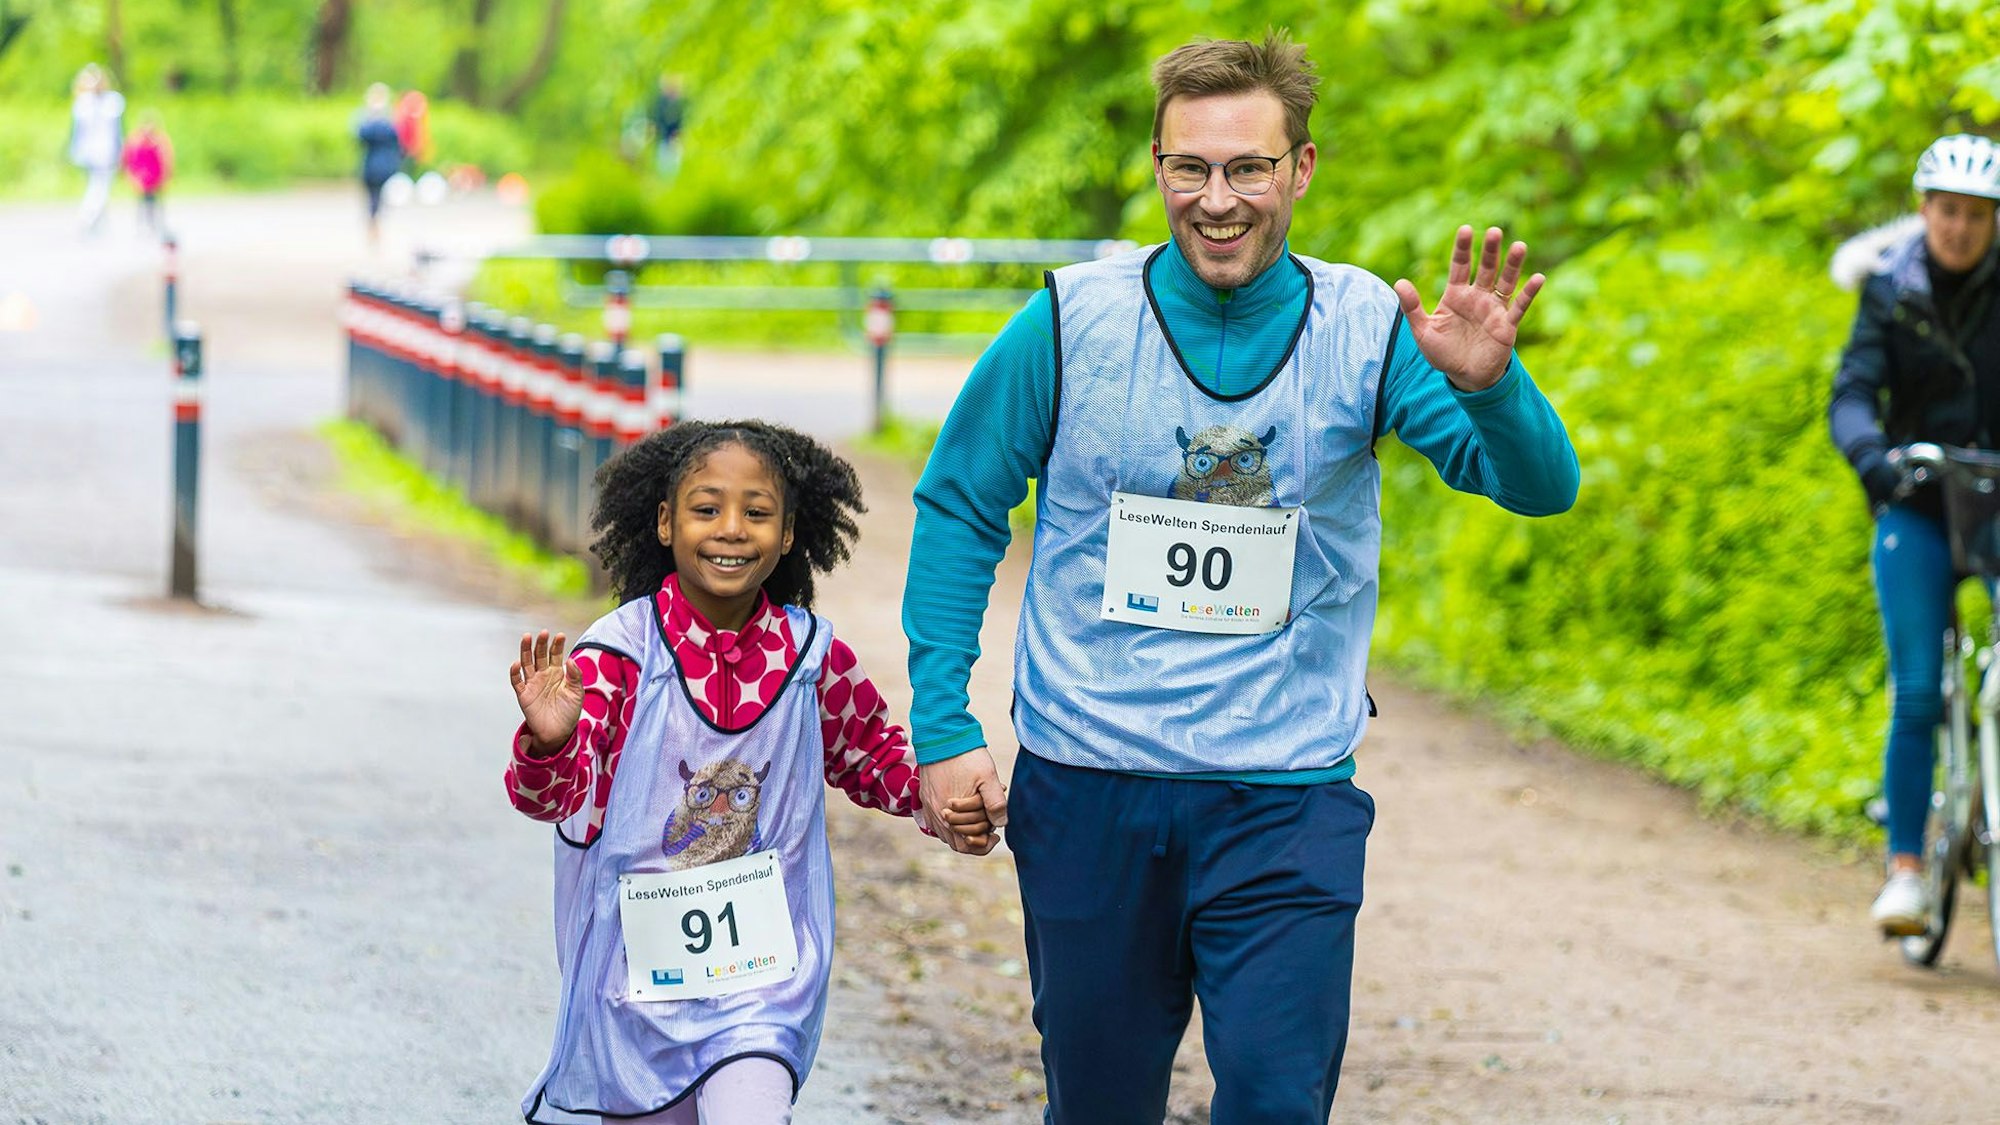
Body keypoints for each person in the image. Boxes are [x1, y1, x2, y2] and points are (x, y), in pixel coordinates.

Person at [902, 32, 1579, 1122]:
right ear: (1158, 168)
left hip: (1282, 794)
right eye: (1191, 168)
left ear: (1298, 170)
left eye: (1247, 168)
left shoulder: (1366, 329)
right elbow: (958, 506)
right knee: (1098, 1107)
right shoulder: (1072, 322)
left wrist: (1494, 389)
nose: (1217, 200)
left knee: (1273, 1099)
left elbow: (1540, 488)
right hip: (1089, 785)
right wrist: (942, 725)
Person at [505, 420, 988, 1123]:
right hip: (634, 980)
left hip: (763, 982)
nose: (731, 528)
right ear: (666, 523)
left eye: (757, 512)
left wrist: (941, 799)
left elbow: (874, 754)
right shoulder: (619, 658)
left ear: (790, 533)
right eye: (707, 509)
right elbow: (554, 797)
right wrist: (548, 742)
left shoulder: (811, 658)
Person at [1829, 132, 2000, 938]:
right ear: (1923, 210)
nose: (1959, 227)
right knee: (1920, 688)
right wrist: (1874, 458)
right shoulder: (1888, 290)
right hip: (1917, 498)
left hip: (1998, 500)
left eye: (1975, 214)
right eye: (1946, 211)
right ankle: (1905, 871)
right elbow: (1855, 389)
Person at [68, 64, 124, 235]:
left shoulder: (90, 102)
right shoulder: (98, 102)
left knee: (97, 185)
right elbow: (117, 130)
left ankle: (98, 222)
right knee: (99, 187)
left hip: (93, 150)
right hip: (101, 151)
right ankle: (88, 218)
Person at [354, 84, 403, 246]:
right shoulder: (387, 121)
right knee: (377, 198)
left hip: (375, 167)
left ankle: (374, 223)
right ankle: (375, 224)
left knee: (375, 198)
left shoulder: (368, 121)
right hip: (380, 166)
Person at [122, 110, 173, 235]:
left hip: (155, 178)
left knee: (155, 202)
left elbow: (167, 159)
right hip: (141, 179)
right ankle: (143, 226)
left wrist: (166, 177)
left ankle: (156, 225)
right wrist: (131, 177)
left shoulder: (160, 141)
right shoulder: (135, 140)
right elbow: (128, 159)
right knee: (142, 203)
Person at [649, 74, 686, 178]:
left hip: (674, 137)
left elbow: (679, 122)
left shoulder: (679, 104)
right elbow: (657, 120)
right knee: (664, 161)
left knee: (674, 160)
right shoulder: (661, 103)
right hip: (664, 137)